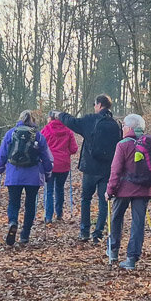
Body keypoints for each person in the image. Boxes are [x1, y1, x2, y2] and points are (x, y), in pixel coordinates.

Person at [53, 94, 124, 244]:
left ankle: (84, 231)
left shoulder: (91, 120)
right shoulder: (116, 124)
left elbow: (72, 122)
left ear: (99, 105)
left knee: (86, 199)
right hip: (107, 169)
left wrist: (59, 115)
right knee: (103, 201)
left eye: (95, 104)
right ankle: (98, 234)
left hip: (90, 168)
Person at [106, 113, 151, 271]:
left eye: (123, 125)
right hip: (144, 189)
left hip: (123, 190)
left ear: (129, 127)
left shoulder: (122, 145)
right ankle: (131, 259)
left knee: (116, 218)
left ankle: (113, 251)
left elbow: (115, 171)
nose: (122, 128)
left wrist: (109, 191)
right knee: (138, 223)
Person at [0, 110, 53, 248]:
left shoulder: (11, 133)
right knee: (30, 204)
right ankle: (25, 234)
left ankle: (13, 222)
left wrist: (0, 168)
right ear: (33, 120)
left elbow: (1, 154)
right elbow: (46, 157)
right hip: (33, 176)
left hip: (14, 174)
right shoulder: (38, 136)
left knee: (14, 202)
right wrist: (48, 172)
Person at [40, 113, 78, 223]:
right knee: (60, 188)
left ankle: (48, 216)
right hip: (64, 164)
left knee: (49, 191)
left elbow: (41, 146)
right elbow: (74, 149)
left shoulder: (46, 130)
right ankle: (59, 213)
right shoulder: (68, 130)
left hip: (49, 164)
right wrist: (65, 153)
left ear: (50, 118)